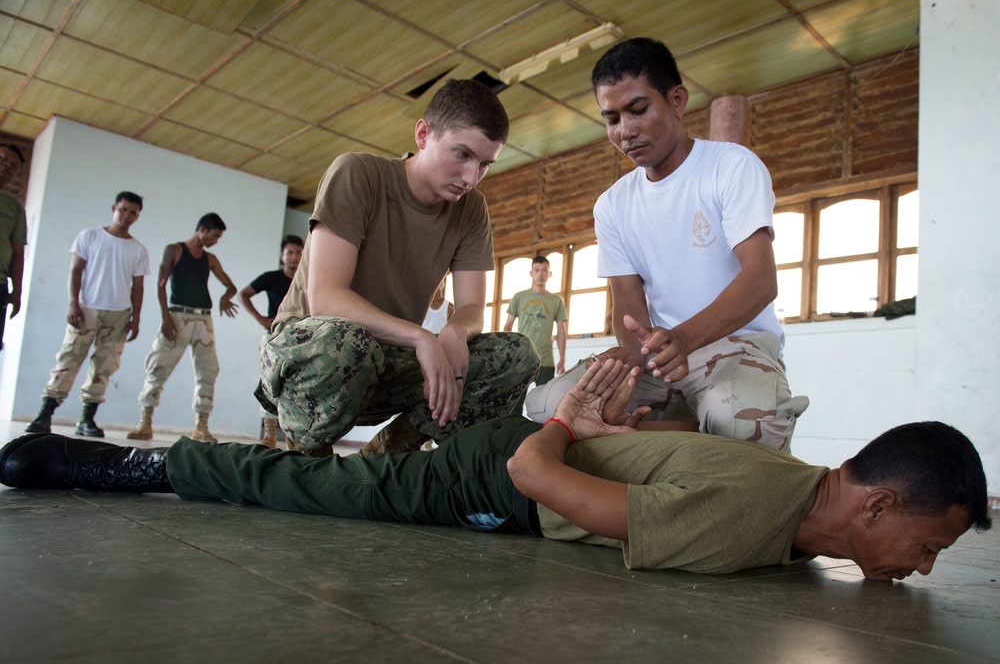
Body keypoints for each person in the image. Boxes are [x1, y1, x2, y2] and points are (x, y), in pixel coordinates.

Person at [0, 358, 990, 580]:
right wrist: (563, 423)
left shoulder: (793, 505)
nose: (927, 565)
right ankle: (137, 465)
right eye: (929, 543)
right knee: (323, 489)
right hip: (497, 473)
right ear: (881, 504)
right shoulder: (751, 519)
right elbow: (535, 477)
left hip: (522, 455)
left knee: (353, 469)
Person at [528, 38, 810, 452]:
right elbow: (627, 303)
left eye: (638, 110)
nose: (626, 131)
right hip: (659, 356)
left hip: (737, 343)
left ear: (677, 100)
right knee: (549, 406)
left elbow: (761, 280)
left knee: (742, 421)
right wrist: (633, 355)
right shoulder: (613, 204)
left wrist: (681, 339)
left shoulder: (729, 166)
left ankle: (694, 432)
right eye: (611, 119)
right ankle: (688, 432)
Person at [254, 79, 538, 458]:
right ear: (423, 133)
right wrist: (423, 338)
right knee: (347, 344)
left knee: (516, 355)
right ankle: (309, 453)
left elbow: (472, 308)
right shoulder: (358, 174)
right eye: (462, 154)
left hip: (388, 355)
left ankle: (389, 453)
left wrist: (454, 332)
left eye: (485, 164)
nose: (471, 177)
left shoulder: (471, 210)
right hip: (310, 355)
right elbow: (326, 297)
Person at [23, 191, 149, 437]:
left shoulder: (138, 249)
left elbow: (139, 287)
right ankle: (44, 415)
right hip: (86, 309)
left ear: (137, 217)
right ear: (114, 207)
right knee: (69, 359)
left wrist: (136, 318)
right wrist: (73, 303)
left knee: (104, 367)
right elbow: (75, 271)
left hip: (119, 314)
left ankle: (86, 419)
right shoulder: (90, 236)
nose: (127, 215)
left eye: (133, 212)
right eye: (123, 209)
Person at [126, 213, 238, 444]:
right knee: (159, 366)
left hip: (203, 320)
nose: (215, 241)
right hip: (177, 316)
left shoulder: (210, 259)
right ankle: (144, 423)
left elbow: (231, 286)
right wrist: (166, 317)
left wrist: (226, 297)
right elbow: (160, 285)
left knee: (208, 371)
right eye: (214, 236)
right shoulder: (174, 250)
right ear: (203, 229)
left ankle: (201, 427)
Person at [237, 234, 304, 447]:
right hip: (273, 336)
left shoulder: (307, 278)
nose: (294, 257)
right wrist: (260, 319)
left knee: (298, 385)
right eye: (290, 253)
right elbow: (243, 294)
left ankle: (295, 436)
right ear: (282, 255)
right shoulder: (271, 277)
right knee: (269, 383)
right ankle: (269, 433)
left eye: (298, 253)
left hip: (300, 337)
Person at [504, 256, 568, 413]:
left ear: (550, 274)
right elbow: (508, 326)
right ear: (531, 273)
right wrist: (507, 353)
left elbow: (561, 330)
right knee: (515, 404)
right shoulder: (519, 297)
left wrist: (562, 358)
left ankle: (543, 433)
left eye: (544, 270)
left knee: (546, 402)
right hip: (521, 358)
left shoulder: (556, 300)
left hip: (545, 358)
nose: (540, 274)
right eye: (537, 270)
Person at [0, 143, 27, 353]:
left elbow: (18, 252)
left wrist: (17, 291)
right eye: (3, 158)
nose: (6, 166)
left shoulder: (15, 208)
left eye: (13, 165)